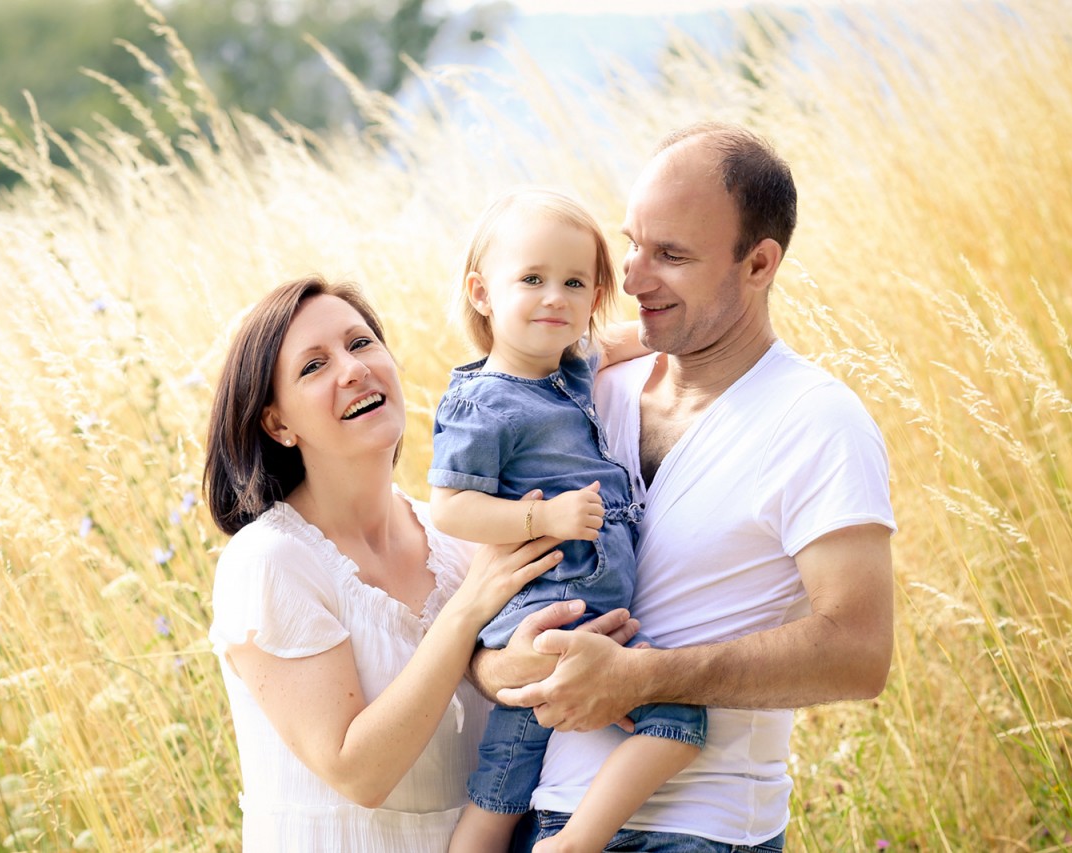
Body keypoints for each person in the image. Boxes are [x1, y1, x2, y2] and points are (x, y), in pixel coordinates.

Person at [472, 123, 897, 852]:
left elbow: (860, 650)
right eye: (632, 242)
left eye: (670, 255)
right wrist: (506, 665)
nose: (632, 278)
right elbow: (486, 607)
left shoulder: (818, 421)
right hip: (541, 817)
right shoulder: (583, 393)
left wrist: (642, 678)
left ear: (760, 263)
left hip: (697, 830)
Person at [202, 276, 631, 852]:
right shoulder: (271, 561)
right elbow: (359, 773)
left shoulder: (459, 537)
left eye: (360, 344)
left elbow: (498, 682)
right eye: (313, 366)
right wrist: (467, 611)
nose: (352, 370)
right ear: (279, 424)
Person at [428, 188, 706, 853]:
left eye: (574, 283)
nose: (554, 296)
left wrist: (697, 315)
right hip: (548, 622)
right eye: (532, 279)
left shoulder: (569, 371)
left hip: (583, 621)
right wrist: (542, 514)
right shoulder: (484, 402)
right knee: (675, 723)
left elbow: (630, 336)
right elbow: (450, 506)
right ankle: (578, 841)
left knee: (505, 783)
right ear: (482, 293)